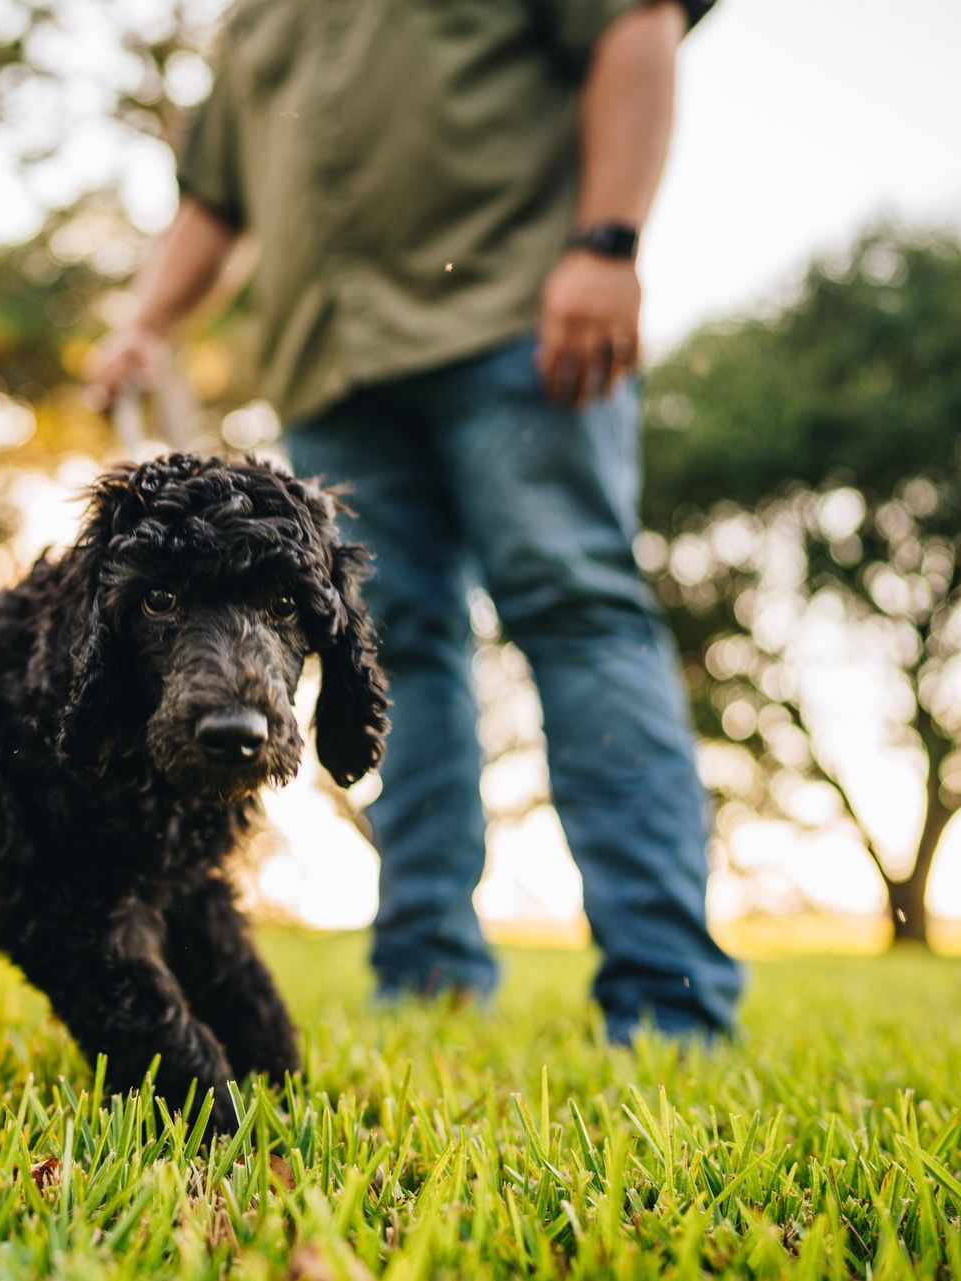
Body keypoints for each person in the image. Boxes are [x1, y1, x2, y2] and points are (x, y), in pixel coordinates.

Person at [88, 0, 742, 1040]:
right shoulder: (257, 20)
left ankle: (668, 999)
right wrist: (146, 323)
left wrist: (607, 242)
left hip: (513, 323)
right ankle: (427, 976)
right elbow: (217, 199)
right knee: (393, 655)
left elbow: (638, 22)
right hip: (332, 371)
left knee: (577, 611)